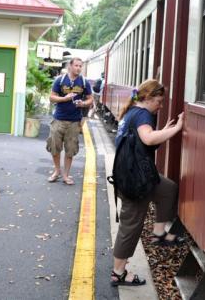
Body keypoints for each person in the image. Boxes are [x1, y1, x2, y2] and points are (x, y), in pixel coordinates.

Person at [110, 79, 185, 287]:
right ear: (148, 98)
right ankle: (118, 273)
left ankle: (159, 232)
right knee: (131, 226)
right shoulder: (143, 114)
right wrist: (176, 128)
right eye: (159, 101)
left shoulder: (133, 112)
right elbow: (148, 139)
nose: (160, 106)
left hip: (136, 174)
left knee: (168, 189)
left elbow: (144, 141)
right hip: (135, 181)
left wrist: (165, 131)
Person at [46, 57, 93, 185]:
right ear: (70, 66)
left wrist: (83, 103)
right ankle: (56, 171)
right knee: (54, 147)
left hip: (74, 122)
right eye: (76, 65)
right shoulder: (60, 80)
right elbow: (51, 97)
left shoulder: (84, 82)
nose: (78, 68)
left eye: (80, 66)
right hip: (59, 119)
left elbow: (90, 99)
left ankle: (66, 175)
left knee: (70, 149)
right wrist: (65, 98)